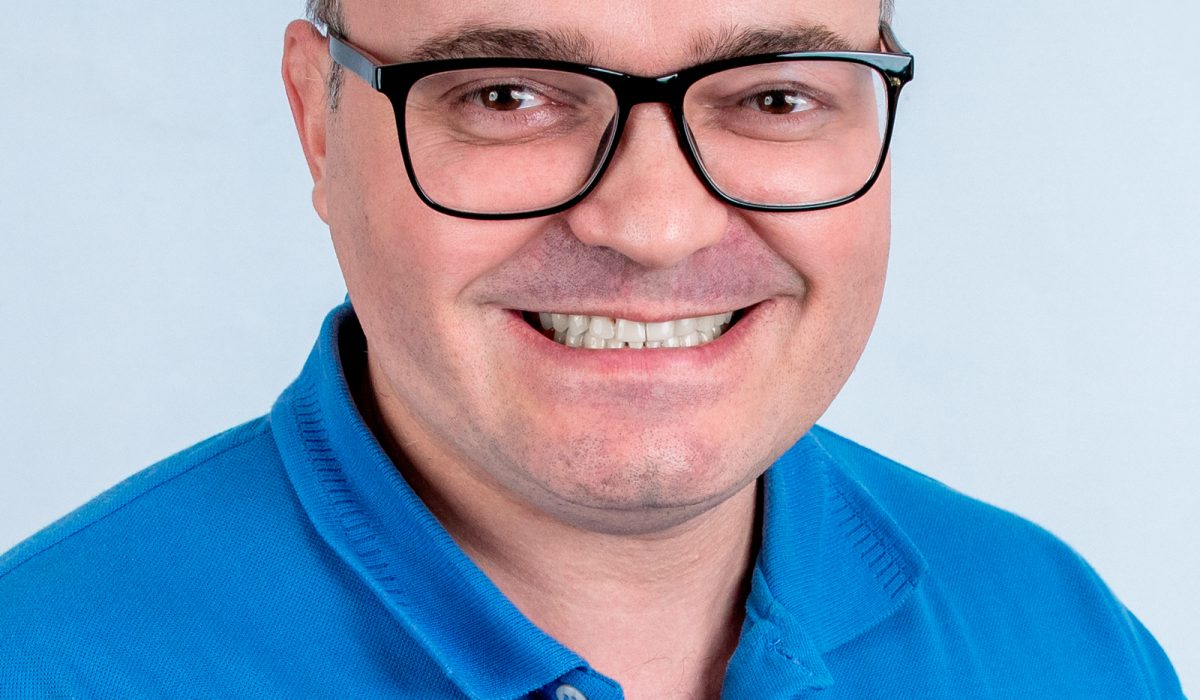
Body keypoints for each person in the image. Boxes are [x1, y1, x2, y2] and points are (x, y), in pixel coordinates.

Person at [0, 0, 1185, 697]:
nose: (655, 226)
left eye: (773, 97)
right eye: (507, 95)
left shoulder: (1066, 644)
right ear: (318, 120)